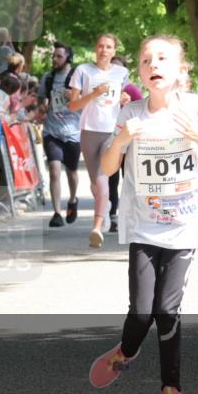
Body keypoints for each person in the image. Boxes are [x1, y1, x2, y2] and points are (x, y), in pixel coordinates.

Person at [91, 34, 198, 394]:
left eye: (163, 59)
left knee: (167, 311)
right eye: (147, 60)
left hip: (185, 225)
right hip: (144, 227)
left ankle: (172, 392)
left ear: (180, 69)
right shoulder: (131, 114)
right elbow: (106, 169)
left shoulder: (196, 107)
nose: (154, 65)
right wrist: (121, 138)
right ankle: (126, 350)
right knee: (141, 313)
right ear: (140, 71)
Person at [67, 33, 129, 248]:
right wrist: (93, 94)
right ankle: (105, 204)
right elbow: (73, 106)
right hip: (89, 131)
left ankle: (96, 227)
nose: (104, 50)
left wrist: (124, 99)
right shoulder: (82, 71)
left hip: (112, 131)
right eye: (101, 46)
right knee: (96, 184)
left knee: (102, 181)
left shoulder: (121, 73)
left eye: (109, 47)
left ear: (114, 51)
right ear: (96, 48)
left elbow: (122, 98)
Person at [39, 42, 81, 227]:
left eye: (59, 56)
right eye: (53, 56)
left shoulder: (78, 78)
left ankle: (72, 199)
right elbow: (41, 100)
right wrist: (43, 106)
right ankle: (56, 213)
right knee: (54, 171)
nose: (55, 60)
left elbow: (89, 101)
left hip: (72, 132)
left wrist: (73, 96)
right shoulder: (47, 78)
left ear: (68, 58)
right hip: (52, 131)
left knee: (71, 172)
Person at [109, 81, 143, 232]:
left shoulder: (130, 89)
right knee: (112, 179)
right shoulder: (103, 91)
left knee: (128, 179)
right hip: (109, 140)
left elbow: (142, 112)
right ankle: (112, 214)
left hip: (128, 144)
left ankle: (133, 214)